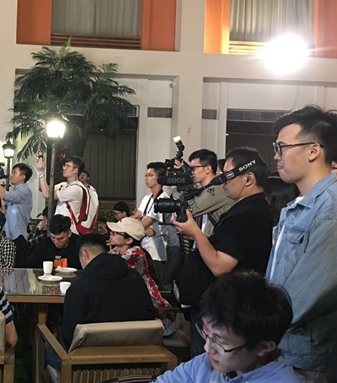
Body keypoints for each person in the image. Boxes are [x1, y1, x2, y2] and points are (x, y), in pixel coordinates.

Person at [174, 147, 273, 357]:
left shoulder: (247, 214)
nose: (222, 181)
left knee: (210, 364)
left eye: (227, 175)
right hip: (220, 304)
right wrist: (199, 237)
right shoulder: (247, 209)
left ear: (248, 179)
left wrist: (196, 233)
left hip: (225, 308)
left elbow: (220, 266)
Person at [266, 105, 337, 380]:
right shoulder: (300, 205)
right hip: (285, 347)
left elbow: (308, 293)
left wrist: (254, 329)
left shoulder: (330, 209)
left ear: (313, 150)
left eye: (282, 147)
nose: (276, 155)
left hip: (307, 356)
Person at [148, 272, 298, 382]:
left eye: (220, 342)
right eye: (206, 333)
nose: (208, 348)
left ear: (263, 347)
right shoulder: (207, 363)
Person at [62, 234, 156, 348]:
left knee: (50, 348)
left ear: (84, 254)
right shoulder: (135, 278)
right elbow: (149, 314)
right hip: (137, 352)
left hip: (89, 356)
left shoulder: (78, 288)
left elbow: (69, 336)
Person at [107, 217, 176, 337]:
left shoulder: (135, 254)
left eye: (116, 233)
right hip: (134, 301)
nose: (111, 235)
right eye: (112, 232)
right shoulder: (116, 251)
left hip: (154, 309)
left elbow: (110, 271)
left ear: (129, 240)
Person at [37, 155, 97, 235]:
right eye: (64, 165)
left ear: (75, 170)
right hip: (60, 228)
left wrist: (41, 172)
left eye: (67, 166)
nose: (64, 168)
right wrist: (41, 171)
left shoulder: (76, 189)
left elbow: (47, 195)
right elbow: (42, 188)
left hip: (68, 231)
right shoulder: (64, 185)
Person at [0, 163, 33, 267]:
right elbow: (7, 210)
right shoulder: (16, 191)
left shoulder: (24, 191)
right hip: (10, 233)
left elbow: (4, 195)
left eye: (14, 173)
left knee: (17, 267)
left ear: (22, 177)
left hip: (18, 235)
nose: (11, 175)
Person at [133, 162, 172, 279]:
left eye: (150, 175)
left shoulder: (163, 200)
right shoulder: (147, 198)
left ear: (160, 178)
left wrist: (142, 226)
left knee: (155, 281)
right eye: (146, 175)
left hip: (157, 250)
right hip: (144, 244)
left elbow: (145, 222)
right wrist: (144, 228)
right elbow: (136, 217)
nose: (146, 178)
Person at [184, 149, 235, 237]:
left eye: (194, 168)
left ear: (208, 169)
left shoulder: (217, 189)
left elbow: (192, 209)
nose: (191, 172)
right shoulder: (205, 190)